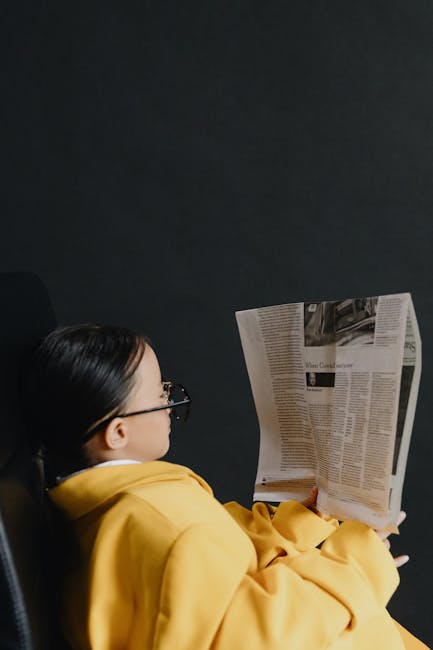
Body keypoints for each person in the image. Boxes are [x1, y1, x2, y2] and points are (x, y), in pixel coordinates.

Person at [19, 323, 429, 650]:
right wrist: (356, 567)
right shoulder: (165, 523)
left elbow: (219, 566)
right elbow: (255, 638)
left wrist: (301, 522)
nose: (168, 402)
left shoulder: (109, 508)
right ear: (118, 433)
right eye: (159, 394)